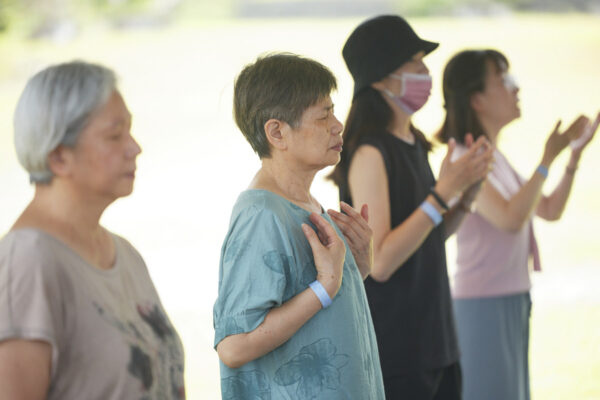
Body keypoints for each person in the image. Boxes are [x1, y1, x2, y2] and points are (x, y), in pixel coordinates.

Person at [328, 15, 494, 399]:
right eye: (414, 63)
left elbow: (428, 236)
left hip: (438, 341)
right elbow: (382, 260)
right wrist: (442, 194)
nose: (426, 72)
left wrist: (465, 196)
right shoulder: (370, 151)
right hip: (399, 349)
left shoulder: (414, 141)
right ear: (380, 78)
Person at [0, 61, 185, 399]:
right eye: (114, 135)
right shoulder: (26, 262)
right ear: (59, 157)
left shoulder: (124, 254)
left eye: (129, 131)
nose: (134, 147)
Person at [213, 53, 385, 399]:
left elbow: (318, 304)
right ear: (277, 132)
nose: (338, 125)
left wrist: (356, 269)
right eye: (324, 115)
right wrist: (325, 286)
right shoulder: (262, 215)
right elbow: (233, 346)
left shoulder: (306, 204)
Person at [436, 49, 599, 400]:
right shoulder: (466, 159)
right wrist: (547, 158)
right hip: (482, 304)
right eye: (503, 80)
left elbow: (549, 209)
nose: (516, 88)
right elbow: (510, 218)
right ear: (476, 99)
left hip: (511, 297)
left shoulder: (495, 157)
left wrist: (571, 158)